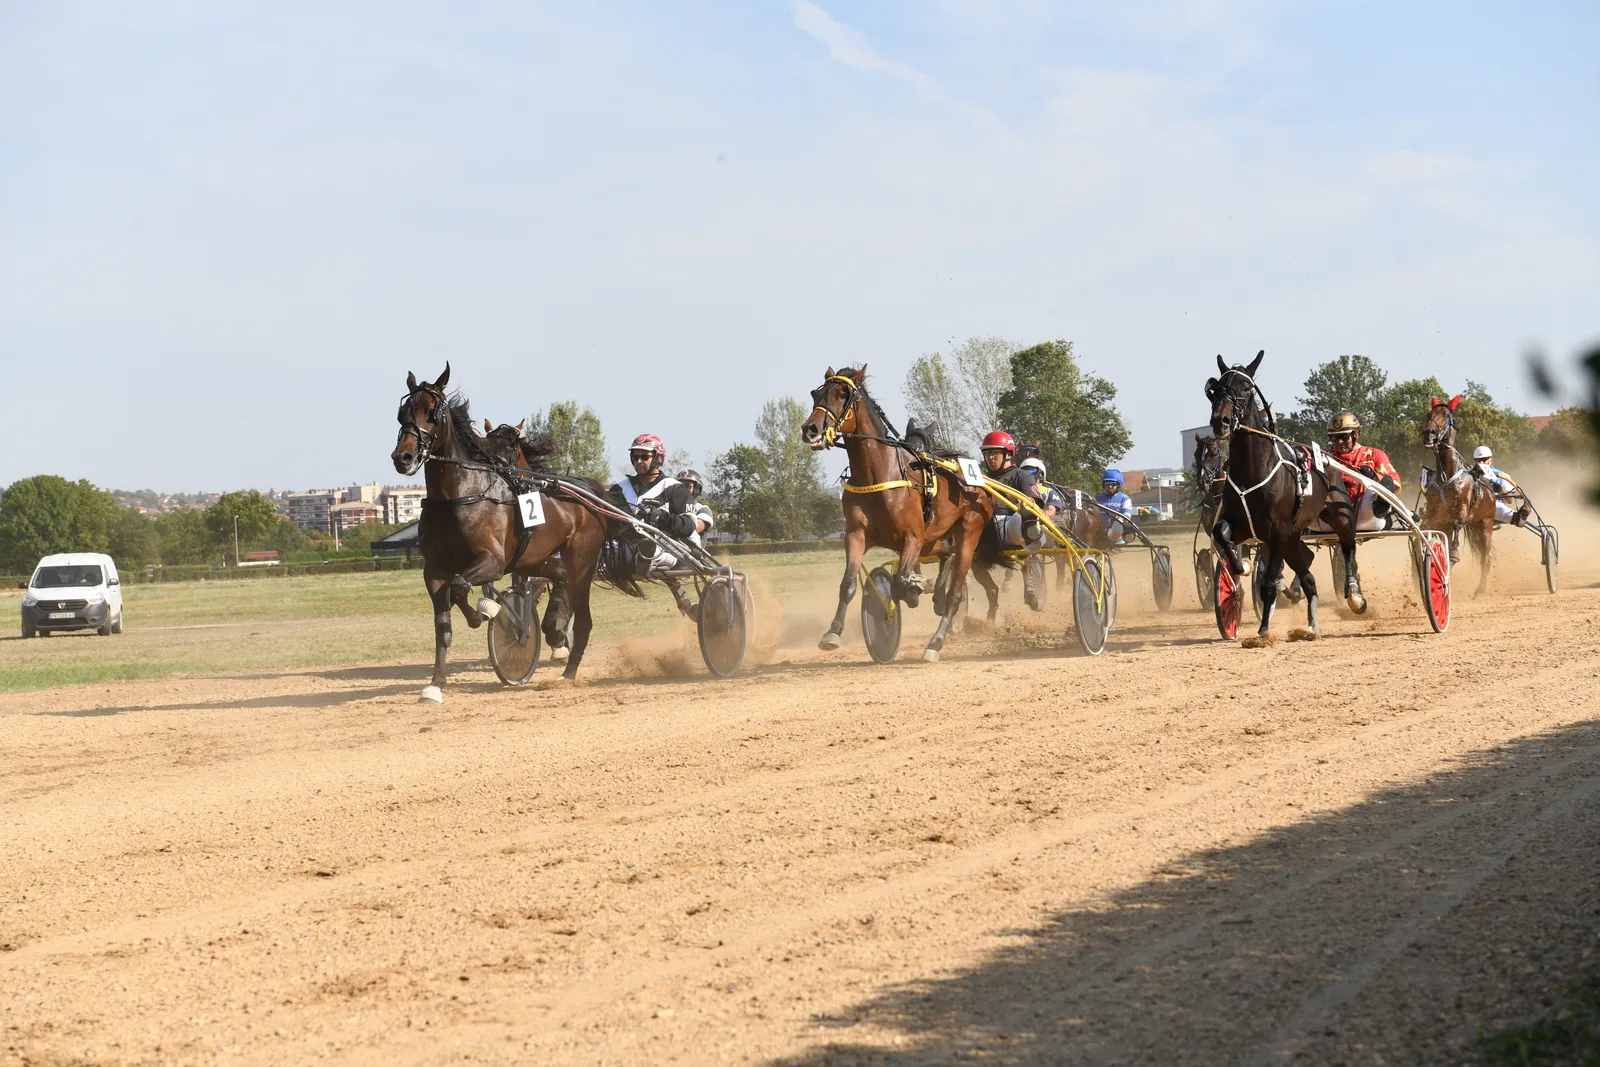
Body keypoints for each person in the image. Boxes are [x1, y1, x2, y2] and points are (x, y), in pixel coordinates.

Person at [608, 433, 699, 612]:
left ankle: (645, 556)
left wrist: (661, 517)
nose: (638, 461)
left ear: (658, 458)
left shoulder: (674, 488)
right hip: (625, 548)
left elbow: (689, 526)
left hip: (667, 547)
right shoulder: (619, 489)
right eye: (635, 456)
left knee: (648, 546)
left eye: (644, 456)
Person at [980, 430, 1045, 609]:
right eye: (987, 454)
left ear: (1008, 454)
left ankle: (1032, 532)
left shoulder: (1021, 475)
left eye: (995, 453)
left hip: (1009, 524)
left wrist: (1027, 506)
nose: (990, 458)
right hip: (982, 528)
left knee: (1023, 516)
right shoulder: (978, 477)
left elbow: (1036, 501)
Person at [1326, 411, 1402, 530]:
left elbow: (1395, 484)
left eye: (1344, 437)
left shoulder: (1375, 454)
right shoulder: (1325, 457)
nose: (1339, 442)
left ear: (1356, 434)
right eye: (1334, 438)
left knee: (1371, 492)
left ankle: (1381, 508)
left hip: (1365, 516)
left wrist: (1374, 477)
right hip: (1332, 516)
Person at [1468, 446, 1531, 526]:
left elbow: (1509, 501)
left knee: (1493, 505)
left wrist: (1500, 489)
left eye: (1484, 459)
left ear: (1490, 460)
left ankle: (1516, 518)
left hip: (1494, 505)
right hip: (1474, 504)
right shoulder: (1469, 474)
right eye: (1478, 460)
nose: (1481, 463)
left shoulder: (1502, 476)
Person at [675, 468, 716, 546]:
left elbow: (695, 527)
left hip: (691, 552)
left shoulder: (702, 509)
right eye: (679, 486)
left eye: (687, 486)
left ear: (696, 489)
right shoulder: (670, 508)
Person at [1095, 469, 1134, 543]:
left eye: (1113, 484)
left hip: (1115, 532)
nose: (1110, 486)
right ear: (1104, 485)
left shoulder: (1124, 498)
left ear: (1118, 485)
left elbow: (1127, 516)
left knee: (1118, 523)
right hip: (1098, 532)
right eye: (1107, 483)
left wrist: (1118, 517)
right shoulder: (1097, 498)